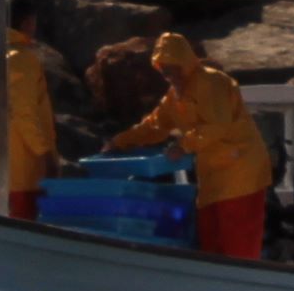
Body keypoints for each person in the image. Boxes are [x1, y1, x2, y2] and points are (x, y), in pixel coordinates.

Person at [105, 28, 276, 260]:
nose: (170, 75)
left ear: (186, 63)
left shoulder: (211, 82)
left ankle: (238, 290)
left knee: (238, 249)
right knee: (211, 245)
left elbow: (218, 126)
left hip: (242, 175)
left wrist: (183, 145)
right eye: (164, 71)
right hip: (212, 179)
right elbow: (154, 126)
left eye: (174, 68)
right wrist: (119, 142)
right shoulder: (173, 98)